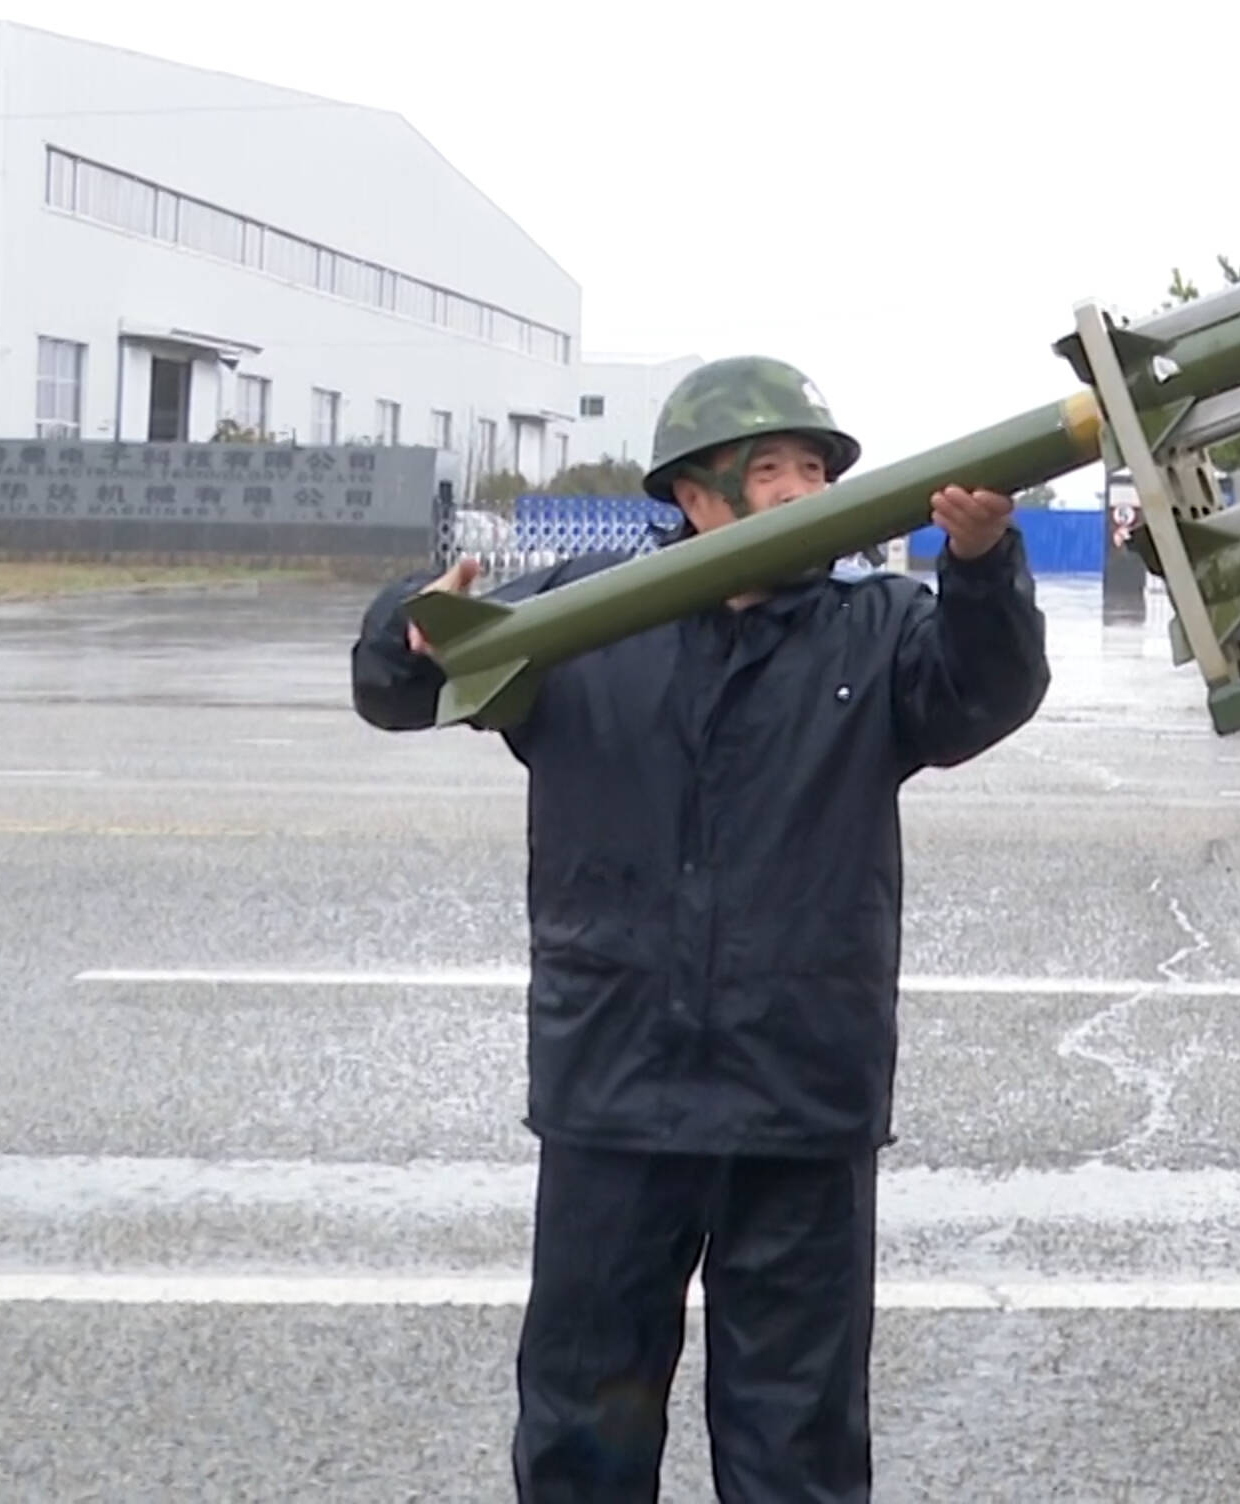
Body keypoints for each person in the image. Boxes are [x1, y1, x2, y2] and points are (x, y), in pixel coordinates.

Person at [352, 357, 1049, 1503]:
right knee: (586, 1430)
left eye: (815, 468)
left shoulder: (875, 631)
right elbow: (395, 689)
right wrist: (411, 627)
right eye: (767, 468)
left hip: (799, 1100)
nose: (799, 488)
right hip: (618, 1092)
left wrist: (981, 569)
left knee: (798, 1446)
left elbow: (985, 692)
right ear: (694, 492)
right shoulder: (587, 620)